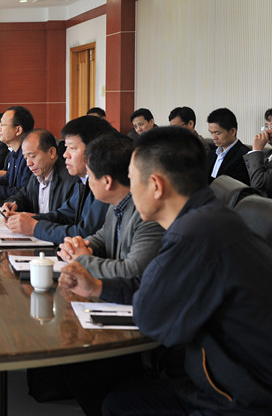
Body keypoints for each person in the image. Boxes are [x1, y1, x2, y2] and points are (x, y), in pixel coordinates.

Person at [59, 126, 272, 415]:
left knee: (116, 401)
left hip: (239, 400)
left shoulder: (192, 234)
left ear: (156, 186)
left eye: (132, 179)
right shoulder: (210, 217)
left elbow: (151, 317)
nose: (129, 190)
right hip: (226, 381)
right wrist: (97, 288)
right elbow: (154, 288)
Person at [57, 132, 164, 278]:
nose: (89, 182)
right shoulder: (116, 204)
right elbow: (101, 238)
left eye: (90, 176)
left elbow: (132, 271)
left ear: (107, 181)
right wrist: (76, 247)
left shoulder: (147, 214)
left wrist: (82, 260)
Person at [6, 115, 112, 244]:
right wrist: (33, 218)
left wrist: (35, 227)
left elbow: (85, 233)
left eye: (72, 148)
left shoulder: (104, 185)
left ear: (94, 150)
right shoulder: (83, 181)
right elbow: (65, 214)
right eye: (66, 147)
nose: (65, 154)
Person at [3, 129, 78, 214]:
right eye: (26, 158)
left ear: (52, 152)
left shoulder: (70, 180)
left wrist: (33, 219)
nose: (28, 163)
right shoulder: (37, 175)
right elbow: (23, 195)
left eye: (33, 156)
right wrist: (14, 203)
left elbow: (64, 217)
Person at [206, 107, 250, 184]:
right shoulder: (212, 154)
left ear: (232, 131)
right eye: (211, 133)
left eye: (217, 133)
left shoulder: (244, 156)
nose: (214, 138)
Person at [243, 107, 272, 197]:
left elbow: (258, 184)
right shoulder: (268, 154)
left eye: (271, 127)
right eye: (266, 126)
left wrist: (256, 150)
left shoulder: (259, 153)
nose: (267, 131)